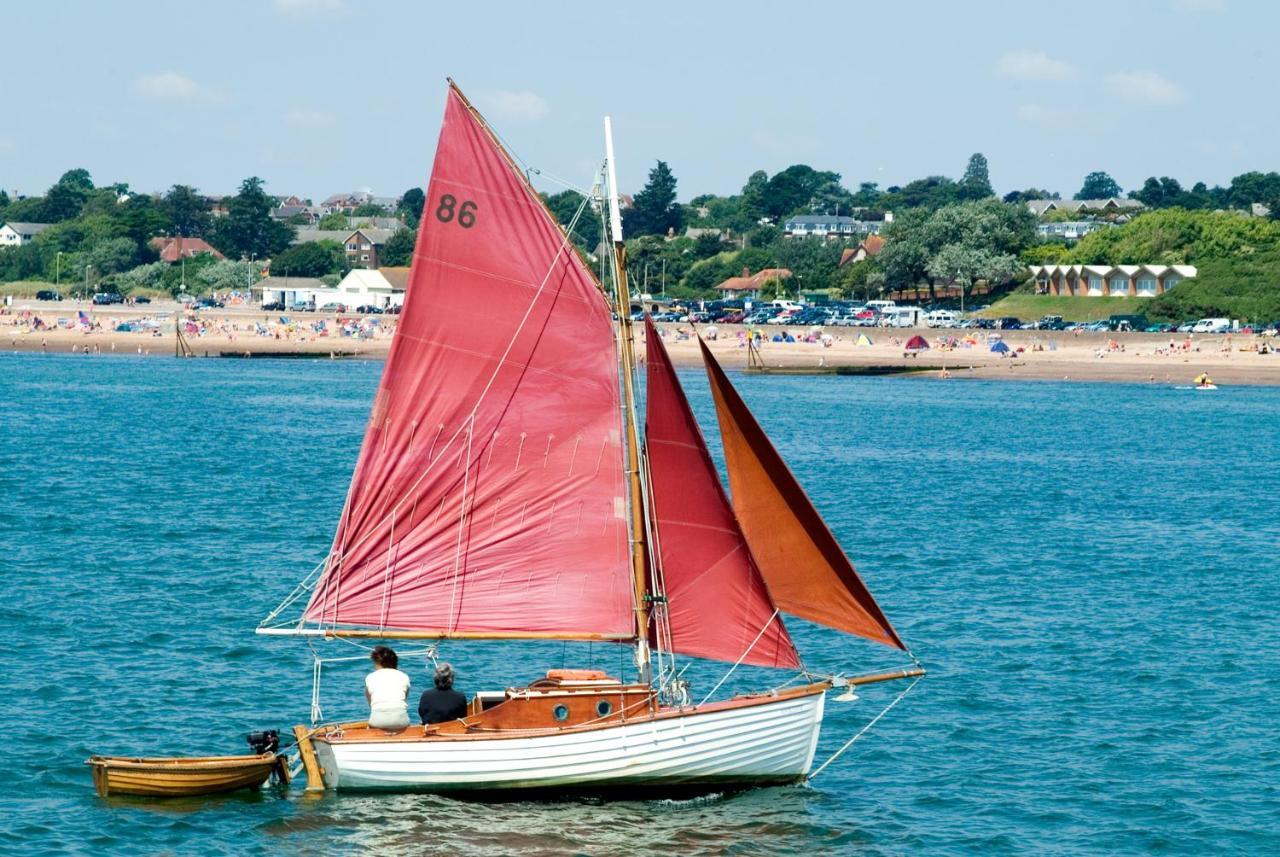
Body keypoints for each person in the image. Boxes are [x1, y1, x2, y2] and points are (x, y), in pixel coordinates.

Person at [364, 645, 411, 731]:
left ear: (378, 662)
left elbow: (371, 703)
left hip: (377, 720)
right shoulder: (404, 676)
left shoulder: (370, 677)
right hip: (400, 720)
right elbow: (404, 699)